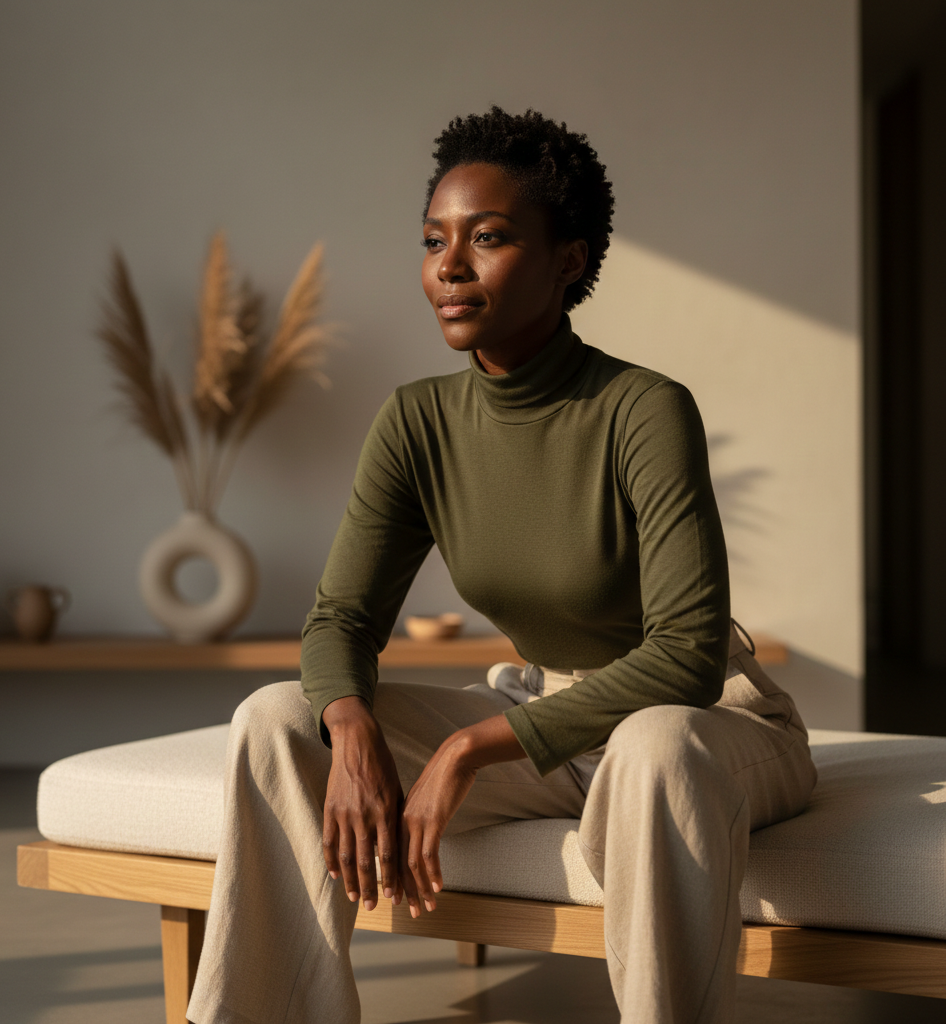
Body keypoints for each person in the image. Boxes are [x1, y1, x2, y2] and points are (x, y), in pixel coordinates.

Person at [187, 107, 817, 1024]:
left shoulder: (642, 409)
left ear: (569, 259)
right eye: (435, 241)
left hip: (703, 726)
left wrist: (467, 747)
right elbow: (340, 623)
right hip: (549, 721)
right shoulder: (417, 422)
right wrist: (352, 726)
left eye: (486, 239)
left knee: (651, 749)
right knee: (282, 719)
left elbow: (685, 652)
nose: (449, 266)